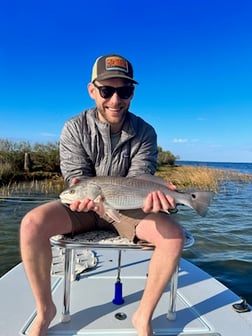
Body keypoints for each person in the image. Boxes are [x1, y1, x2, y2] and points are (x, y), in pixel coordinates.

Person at [20, 54, 184, 336]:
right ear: (92, 90)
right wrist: (81, 193)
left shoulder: (146, 132)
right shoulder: (74, 127)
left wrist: (160, 200)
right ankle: (45, 309)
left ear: (132, 93)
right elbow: (76, 176)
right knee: (31, 224)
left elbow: (139, 178)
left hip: (126, 207)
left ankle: (142, 317)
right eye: (107, 90)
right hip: (83, 207)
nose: (115, 100)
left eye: (125, 91)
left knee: (174, 237)